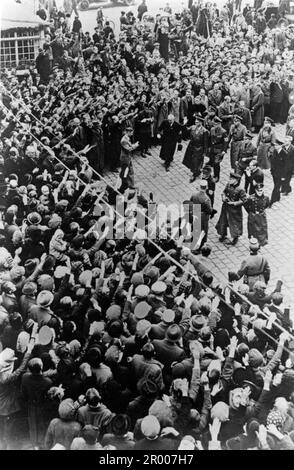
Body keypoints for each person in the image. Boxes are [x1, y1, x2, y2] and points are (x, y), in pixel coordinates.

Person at [216, 171, 247, 245]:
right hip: (226, 207)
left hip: (234, 210)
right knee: (223, 221)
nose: (229, 180)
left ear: (236, 181)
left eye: (231, 179)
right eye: (229, 179)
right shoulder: (228, 185)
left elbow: (244, 200)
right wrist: (224, 197)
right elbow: (223, 192)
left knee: (234, 224)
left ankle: (235, 238)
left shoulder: (240, 189)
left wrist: (234, 203)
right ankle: (223, 235)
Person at [183, 114, 209, 182]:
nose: (195, 122)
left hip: (199, 149)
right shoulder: (193, 127)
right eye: (195, 121)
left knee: (196, 162)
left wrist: (204, 152)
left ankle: (194, 174)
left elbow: (205, 143)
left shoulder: (204, 131)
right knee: (191, 160)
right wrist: (184, 125)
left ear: (200, 123)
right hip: (192, 147)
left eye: (197, 122)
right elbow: (186, 131)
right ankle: (196, 171)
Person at [190, 180, 213, 249]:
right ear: (206, 187)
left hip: (195, 213)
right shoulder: (206, 199)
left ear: (200, 187)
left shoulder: (194, 194)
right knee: (202, 231)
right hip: (203, 217)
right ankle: (199, 247)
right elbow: (209, 210)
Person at [119, 127, 140, 193]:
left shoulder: (127, 138)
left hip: (128, 157)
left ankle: (131, 184)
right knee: (124, 173)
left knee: (130, 171)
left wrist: (134, 145)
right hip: (125, 159)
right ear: (128, 132)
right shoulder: (123, 140)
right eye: (131, 132)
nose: (132, 133)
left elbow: (130, 146)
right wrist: (135, 145)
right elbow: (129, 149)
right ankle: (123, 186)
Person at [208, 116, 228, 182]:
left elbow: (225, 142)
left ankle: (216, 176)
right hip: (212, 149)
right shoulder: (212, 129)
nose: (215, 125)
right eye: (214, 124)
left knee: (216, 164)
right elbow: (210, 139)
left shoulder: (223, 131)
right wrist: (209, 147)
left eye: (217, 124)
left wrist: (224, 151)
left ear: (220, 124)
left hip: (219, 150)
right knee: (213, 162)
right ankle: (213, 173)